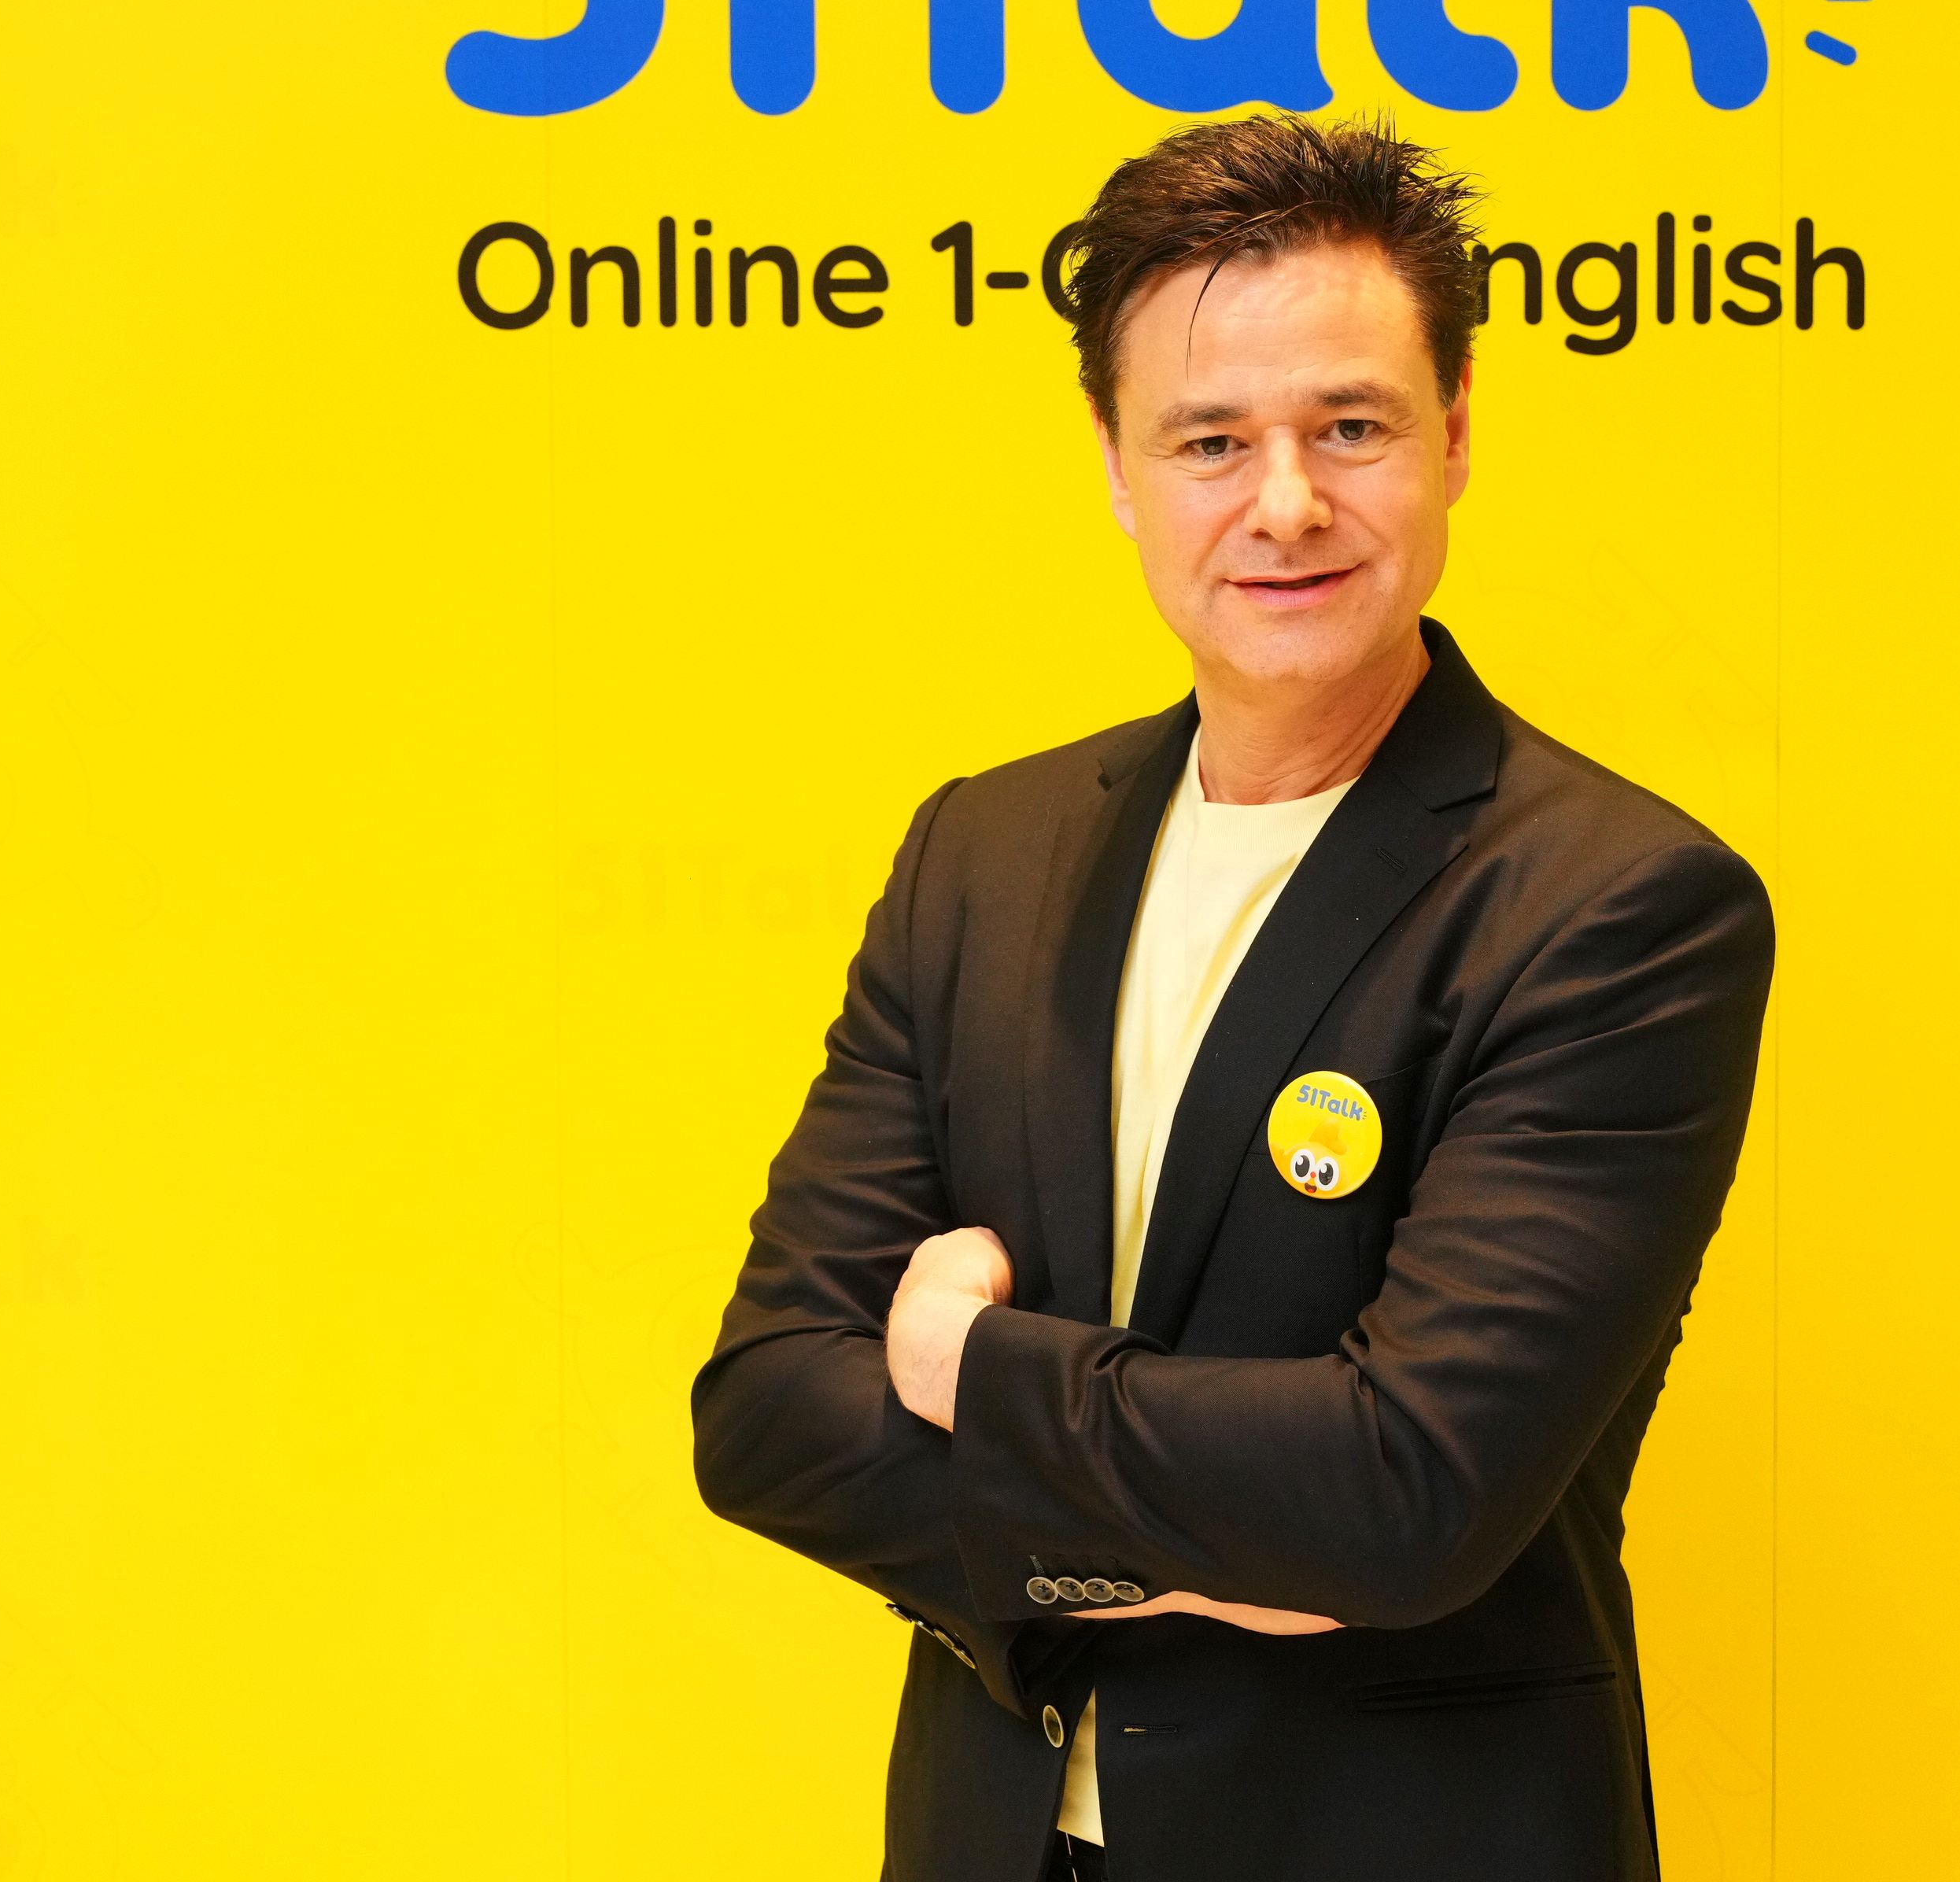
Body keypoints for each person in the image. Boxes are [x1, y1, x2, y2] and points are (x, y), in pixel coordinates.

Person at [692, 115, 1776, 1882]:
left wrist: (967, 1365)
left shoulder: (1616, 906)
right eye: (1211, 440)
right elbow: (767, 1412)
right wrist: (1205, 1547)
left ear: (1456, 433)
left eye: (1351, 427)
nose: (1285, 504)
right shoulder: (984, 854)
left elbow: (1405, 1492)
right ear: (1119, 468)